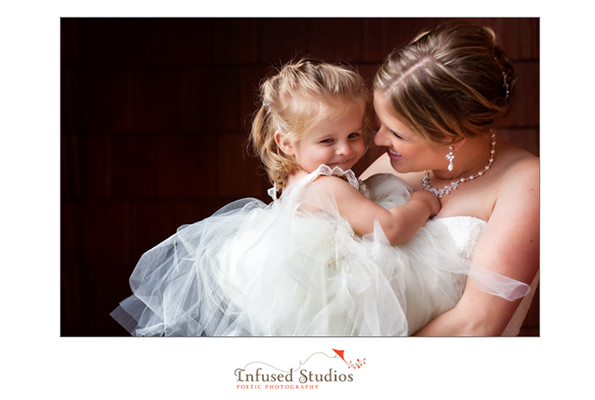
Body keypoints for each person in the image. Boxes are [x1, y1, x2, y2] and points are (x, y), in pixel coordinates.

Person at [111, 58, 528, 337]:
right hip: (337, 304)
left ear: (448, 132)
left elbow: (477, 322)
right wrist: (422, 203)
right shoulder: (328, 184)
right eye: (329, 139)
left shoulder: (322, 177)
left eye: (356, 134)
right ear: (287, 144)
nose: (357, 148)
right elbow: (390, 228)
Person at [360, 20, 540, 336]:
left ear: (450, 135)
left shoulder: (529, 184)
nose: (377, 142)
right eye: (381, 125)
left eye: (397, 133)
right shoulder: (390, 166)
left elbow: (476, 324)